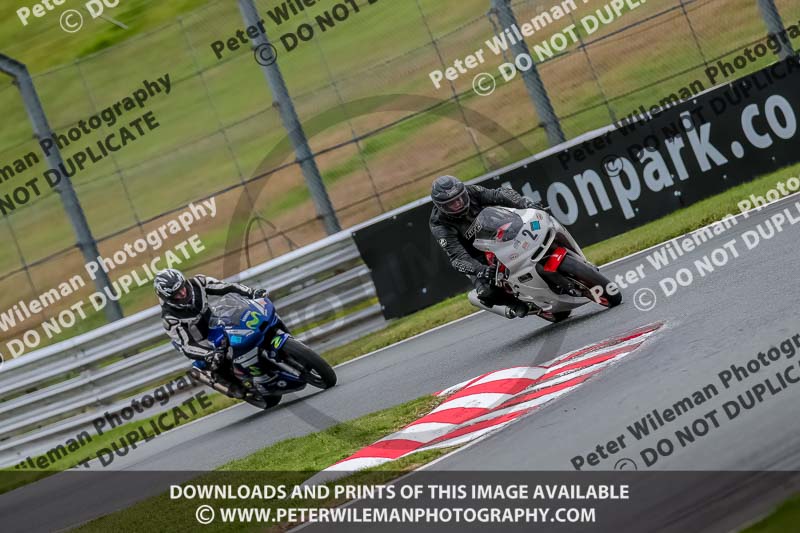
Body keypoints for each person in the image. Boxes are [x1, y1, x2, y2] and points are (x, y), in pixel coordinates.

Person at [429, 175, 545, 318]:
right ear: (441, 206)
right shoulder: (439, 224)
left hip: (500, 232)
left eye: (460, 198)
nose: (458, 203)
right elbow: (457, 258)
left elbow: (498, 194)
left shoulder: (471, 191)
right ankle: (514, 304)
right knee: (486, 292)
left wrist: (525, 204)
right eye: (451, 203)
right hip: (476, 255)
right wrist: (480, 270)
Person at [154, 269, 269, 390]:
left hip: (215, 323)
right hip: (200, 342)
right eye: (177, 294)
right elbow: (187, 345)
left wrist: (251, 292)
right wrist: (208, 354)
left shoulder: (198, 282)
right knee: (217, 360)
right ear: (168, 298)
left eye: (182, 288)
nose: (183, 293)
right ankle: (233, 386)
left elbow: (226, 287)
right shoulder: (169, 318)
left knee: (246, 323)